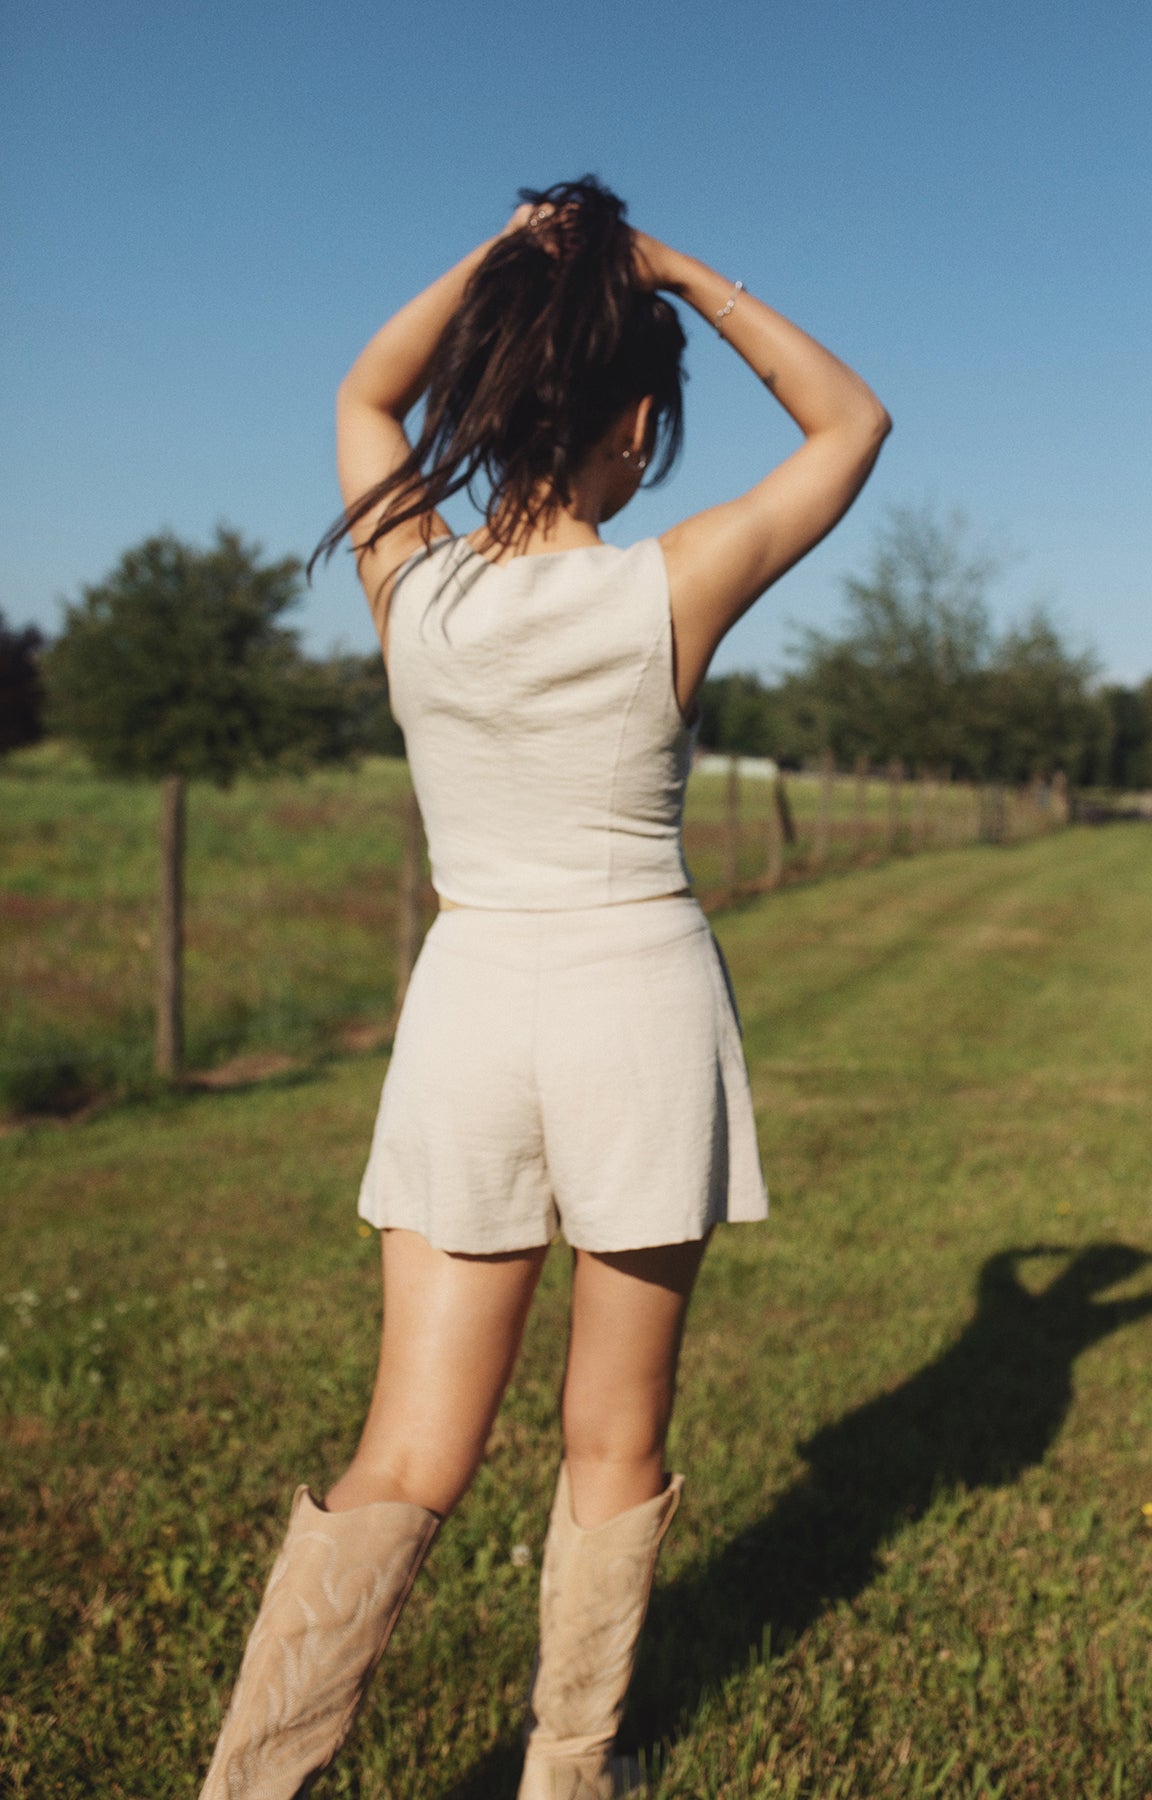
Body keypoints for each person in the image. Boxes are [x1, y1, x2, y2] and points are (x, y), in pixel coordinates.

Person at [197, 176, 889, 1800]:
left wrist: (509, 261)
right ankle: (569, 1775)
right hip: (636, 1003)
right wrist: (674, 269)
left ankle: (250, 1788)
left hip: (469, 1007)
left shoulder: (412, 584)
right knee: (612, 1436)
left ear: (496, 404)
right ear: (638, 429)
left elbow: (367, 391)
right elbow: (850, 420)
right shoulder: (671, 582)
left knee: (408, 1443)